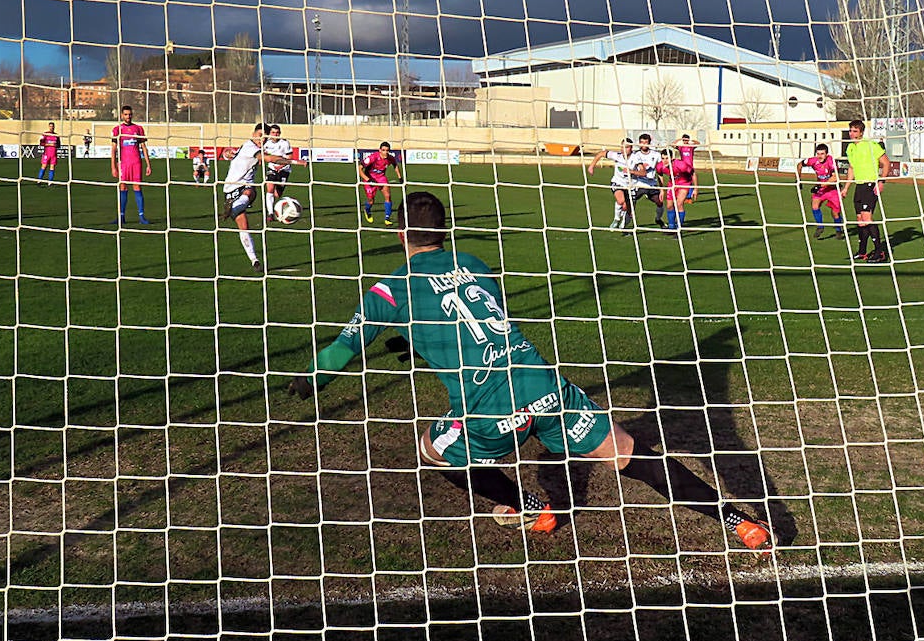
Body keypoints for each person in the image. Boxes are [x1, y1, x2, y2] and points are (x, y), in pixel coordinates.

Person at [287, 191, 772, 549]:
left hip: (488, 406)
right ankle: (739, 523)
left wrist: (313, 377)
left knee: (434, 453)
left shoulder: (389, 291)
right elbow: (469, 320)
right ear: (445, 232)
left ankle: (531, 507)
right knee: (631, 455)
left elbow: (345, 345)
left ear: (398, 234)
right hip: (541, 382)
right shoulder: (474, 262)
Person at [221, 123, 292, 272]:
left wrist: (228, 153)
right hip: (231, 188)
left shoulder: (251, 146)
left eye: (264, 138)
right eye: (259, 136)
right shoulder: (251, 147)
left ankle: (255, 261)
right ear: (253, 134)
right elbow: (265, 158)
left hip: (242, 186)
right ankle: (234, 207)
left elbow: (235, 155)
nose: (261, 139)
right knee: (244, 223)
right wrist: (290, 161)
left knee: (250, 194)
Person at [840, 119, 893, 263]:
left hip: (870, 185)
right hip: (859, 186)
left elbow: (886, 163)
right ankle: (862, 252)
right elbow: (851, 168)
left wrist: (881, 181)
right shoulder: (850, 148)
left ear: (861, 133)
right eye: (850, 130)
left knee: (866, 218)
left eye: (855, 131)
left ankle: (880, 252)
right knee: (859, 220)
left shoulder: (870, 145)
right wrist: (846, 188)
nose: (852, 133)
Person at [110, 105, 151, 225]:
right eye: (126, 114)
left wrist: (148, 164)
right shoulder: (117, 130)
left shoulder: (138, 129)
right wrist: (113, 167)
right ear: (122, 115)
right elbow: (113, 149)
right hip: (123, 164)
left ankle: (142, 216)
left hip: (136, 163)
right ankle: (121, 216)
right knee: (122, 187)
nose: (128, 116)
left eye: (130, 114)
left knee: (137, 187)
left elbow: (143, 147)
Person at [586, 139, 638, 230]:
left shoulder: (636, 158)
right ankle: (616, 219)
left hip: (630, 185)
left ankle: (624, 220)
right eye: (622, 147)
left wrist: (633, 172)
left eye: (626, 147)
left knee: (627, 207)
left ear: (631, 148)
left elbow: (643, 171)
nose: (623, 149)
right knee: (621, 201)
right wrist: (591, 166)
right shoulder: (617, 155)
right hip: (617, 182)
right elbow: (601, 153)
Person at [798, 143, 844, 239]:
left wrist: (821, 185)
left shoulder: (831, 161)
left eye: (822, 154)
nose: (820, 156)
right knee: (815, 205)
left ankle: (839, 230)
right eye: (818, 154)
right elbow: (799, 165)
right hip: (821, 189)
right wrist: (798, 180)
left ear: (826, 154)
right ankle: (820, 227)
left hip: (832, 189)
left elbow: (835, 177)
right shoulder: (812, 161)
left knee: (835, 212)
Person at [263, 124, 305, 222]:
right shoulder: (266, 143)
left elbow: (289, 157)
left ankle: (279, 206)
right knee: (269, 189)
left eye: (277, 133)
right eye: (273, 132)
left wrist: (280, 166)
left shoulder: (285, 143)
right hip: (272, 168)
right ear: (269, 133)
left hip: (284, 169)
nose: (275, 134)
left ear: (280, 133)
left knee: (277, 194)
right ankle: (270, 213)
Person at [359, 142, 403, 226]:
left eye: (387, 150)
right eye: (383, 150)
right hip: (370, 178)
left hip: (381, 178)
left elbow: (395, 165)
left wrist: (400, 177)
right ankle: (367, 210)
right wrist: (368, 180)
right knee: (371, 200)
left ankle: (387, 218)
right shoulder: (373, 157)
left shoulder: (390, 158)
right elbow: (360, 168)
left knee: (387, 196)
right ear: (380, 150)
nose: (385, 152)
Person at [659, 147, 695, 231]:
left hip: (684, 183)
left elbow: (693, 173)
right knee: (669, 206)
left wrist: (695, 188)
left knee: (679, 204)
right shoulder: (660, 166)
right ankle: (671, 227)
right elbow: (659, 174)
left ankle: (679, 227)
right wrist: (661, 190)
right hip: (672, 184)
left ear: (671, 158)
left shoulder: (681, 165)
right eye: (663, 158)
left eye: (667, 158)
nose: (665, 160)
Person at [634, 133, 666, 228]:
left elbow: (660, 172)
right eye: (642, 142)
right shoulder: (635, 155)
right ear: (639, 143)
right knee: (631, 203)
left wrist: (662, 189)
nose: (644, 144)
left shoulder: (656, 155)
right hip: (638, 184)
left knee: (660, 202)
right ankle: (626, 225)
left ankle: (658, 219)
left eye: (646, 142)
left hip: (651, 184)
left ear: (649, 143)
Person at [671, 135, 702, 202]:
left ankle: (689, 198)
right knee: (682, 180)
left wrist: (692, 140)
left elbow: (698, 143)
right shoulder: (681, 147)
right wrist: (679, 139)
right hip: (682, 166)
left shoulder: (691, 147)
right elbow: (672, 144)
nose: (685, 141)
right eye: (684, 140)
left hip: (690, 166)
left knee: (690, 181)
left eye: (686, 140)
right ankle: (681, 195)